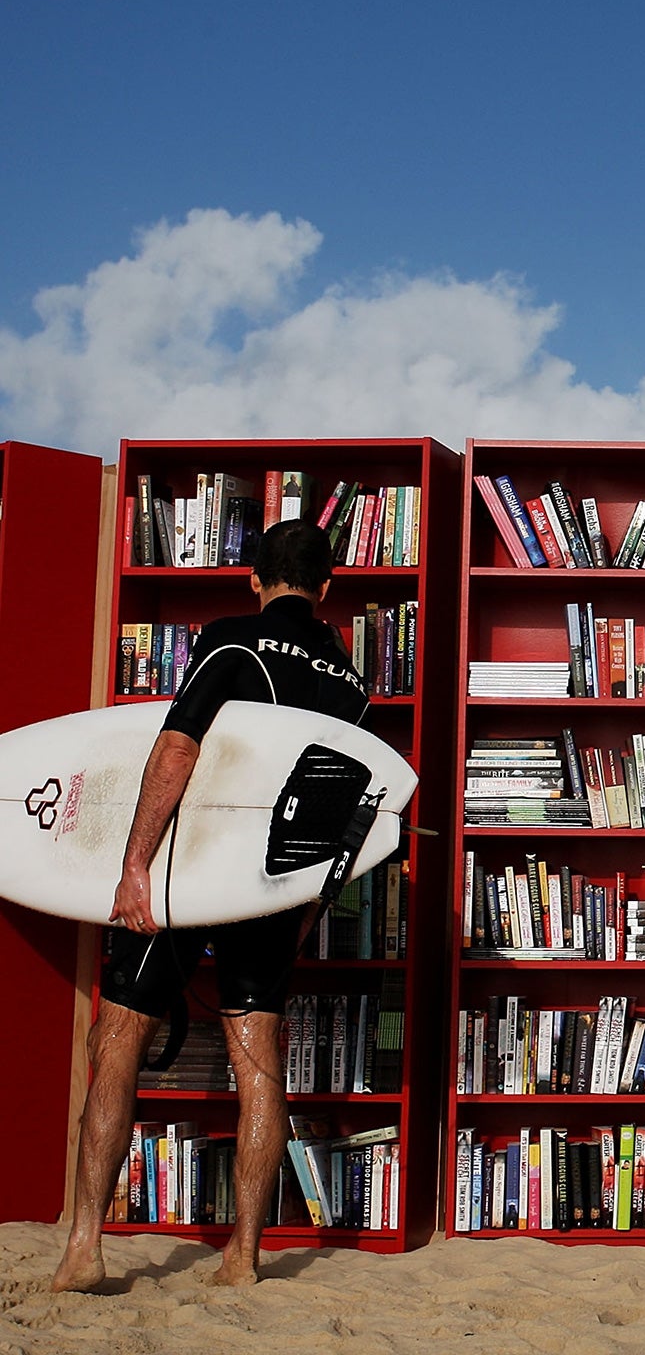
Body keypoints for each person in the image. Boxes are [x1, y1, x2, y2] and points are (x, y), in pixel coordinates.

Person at [53, 519, 369, 1292]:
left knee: (119, 1038)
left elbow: (177, 748)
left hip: (187, 874)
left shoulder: (230, 640)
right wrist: (300, 909)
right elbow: (340, 809)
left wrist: (134, 866)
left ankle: (85, 1247)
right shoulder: (351, 682)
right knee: (257, 1065)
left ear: (253, 579)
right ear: (327, 590)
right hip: (266, 886)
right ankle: (244, 1259)